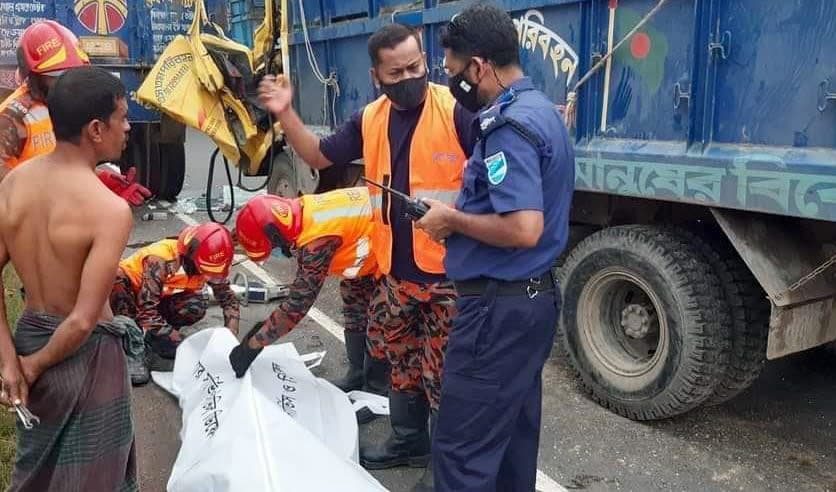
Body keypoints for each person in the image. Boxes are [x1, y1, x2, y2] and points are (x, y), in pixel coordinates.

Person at [257, 23, 477, 475]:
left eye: (415, 67)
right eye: (395, 72)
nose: (408, 78)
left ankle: (446, 471)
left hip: (448, 280)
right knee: (401, 364)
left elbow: (496, 178)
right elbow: (319, 156)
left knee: (445, 377)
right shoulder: (371, 117)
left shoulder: (457, 111)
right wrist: (285, 112)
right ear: (377, 76)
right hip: (396, 276)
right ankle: (409, 442)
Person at [414, 4, 576, 491]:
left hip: (497, 312)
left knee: (461, 449)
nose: (451, 83)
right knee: (509, 444)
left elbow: (524, 227)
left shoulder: (508, 126)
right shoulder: (542, 111)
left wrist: (451, 221)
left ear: (479, 66)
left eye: (454, 71)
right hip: (529, 304)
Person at [0, 66, 137, 491]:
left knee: (37, 472)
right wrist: (33, 367)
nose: (128, 127)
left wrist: (10, 362)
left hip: (30, 336)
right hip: (83, 358)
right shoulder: (108, 210)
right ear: (96, 129)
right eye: (123, 117)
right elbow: (81, 320)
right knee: (94, 478)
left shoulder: (13, 184)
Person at [228, 189, 391, 406]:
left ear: (276, 236)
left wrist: (255, 343)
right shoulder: (294, 212)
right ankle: (358, 373)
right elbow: (252, 222)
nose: (275, 252)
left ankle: (376, 392)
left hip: (391, 251)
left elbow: (298, 303)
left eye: (273, 247)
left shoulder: (316, 241)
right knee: (354, 304)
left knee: (379, 323)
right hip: (365, 248)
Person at [0, 20, 151, 205]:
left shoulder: (65, 107)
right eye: (60, 77)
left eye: (75, 75)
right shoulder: (12, 118)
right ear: (35, 77)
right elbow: (8, 190)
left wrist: (96, 179)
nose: (70, 84)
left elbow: (63, 165)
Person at [110, 222, 240, 379]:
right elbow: (147, 311)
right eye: (205, 270)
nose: (208, 277)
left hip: (156, 299)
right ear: (191, 259)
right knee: (115, 279)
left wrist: (230, 340)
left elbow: (228, 299)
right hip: (131, 298)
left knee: (194, 306)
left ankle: (155, 339)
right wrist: (180, 340)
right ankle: (131, 348)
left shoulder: (211, 264)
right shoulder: (160, 259)